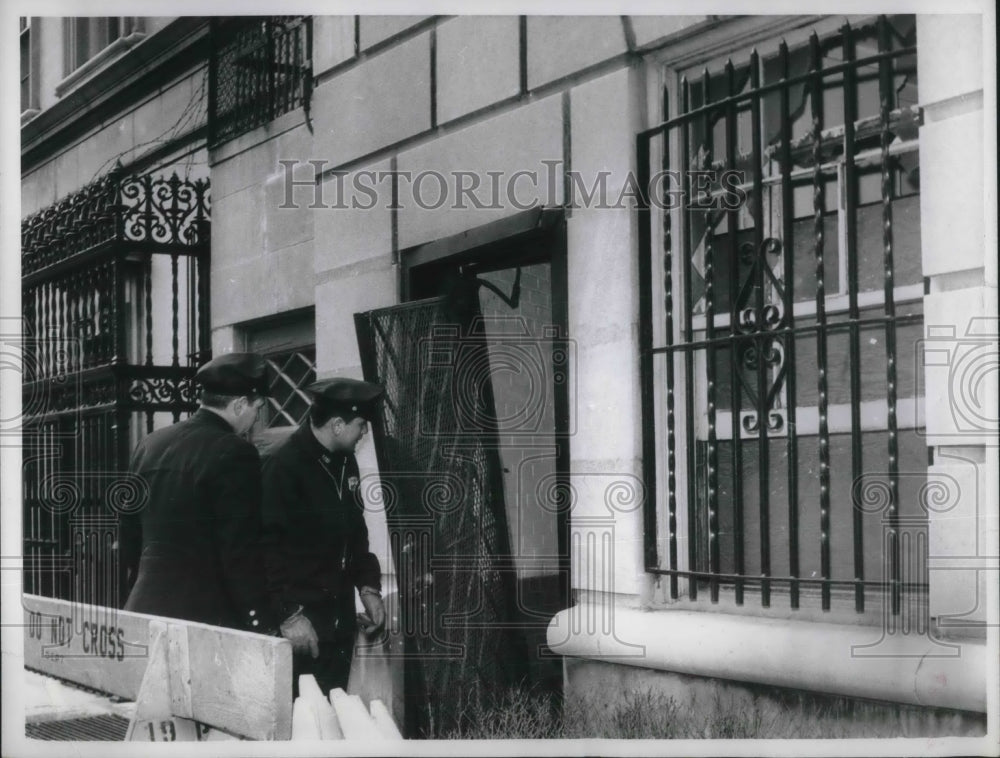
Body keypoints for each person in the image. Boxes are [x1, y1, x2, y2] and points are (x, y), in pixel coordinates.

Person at [122, 353, 279, 633]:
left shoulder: (150, 443)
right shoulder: (235, 452)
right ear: (240, 405)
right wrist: (261, 622)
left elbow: (129, 536)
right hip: (204, 620)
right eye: (257, 408)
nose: (256, 419)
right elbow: (240, 551)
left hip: (143, 610)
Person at [260, 377, 386, 695]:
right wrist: (288, 616)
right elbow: (263, 549)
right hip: (302, 633)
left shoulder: (344, 462)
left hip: (337, 628)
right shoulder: (282, 465)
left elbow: (355, 533)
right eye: (361, 424)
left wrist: (369, 587)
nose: (365, 433)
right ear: (338, 425)